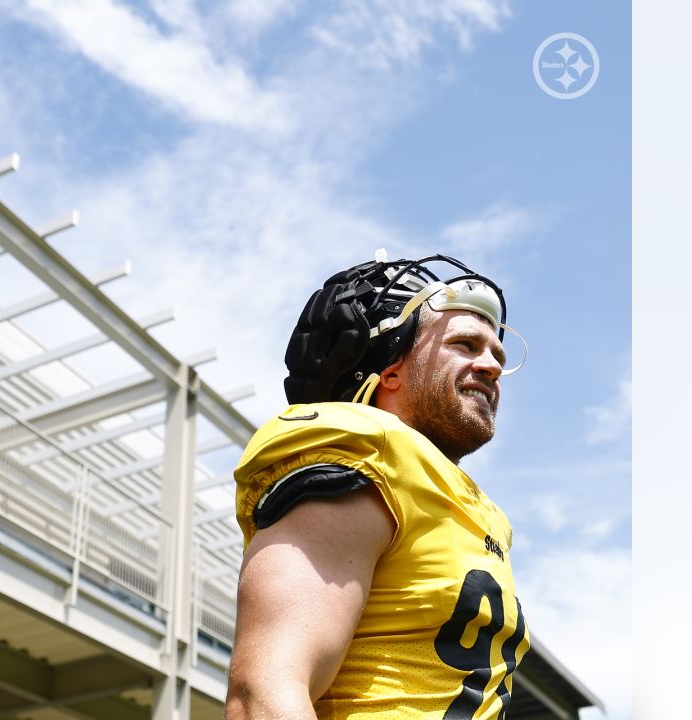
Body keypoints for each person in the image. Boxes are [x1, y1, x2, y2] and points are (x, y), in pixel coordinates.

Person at [225, 253, 530, 720]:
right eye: (465, 345)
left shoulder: (473, 507)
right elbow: (263, 693)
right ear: (391, 370)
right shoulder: (362, 447)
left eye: (497, 355)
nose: (491, 365)